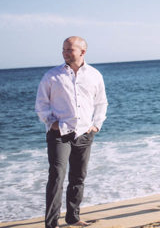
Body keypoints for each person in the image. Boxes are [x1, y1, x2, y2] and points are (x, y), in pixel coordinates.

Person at [35, 36, 108, 228]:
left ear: (82, 52)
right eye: (63, 50)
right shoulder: (52, 76)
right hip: (59, 135)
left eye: (69, 50)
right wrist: (52, 123)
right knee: (56, 177)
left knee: (78, 177)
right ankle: (51, 224)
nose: (65, 53)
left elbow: (101, 103)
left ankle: (73, 218)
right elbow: (41, 104)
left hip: (84, 133)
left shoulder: (94, 75)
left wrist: (96, 125)